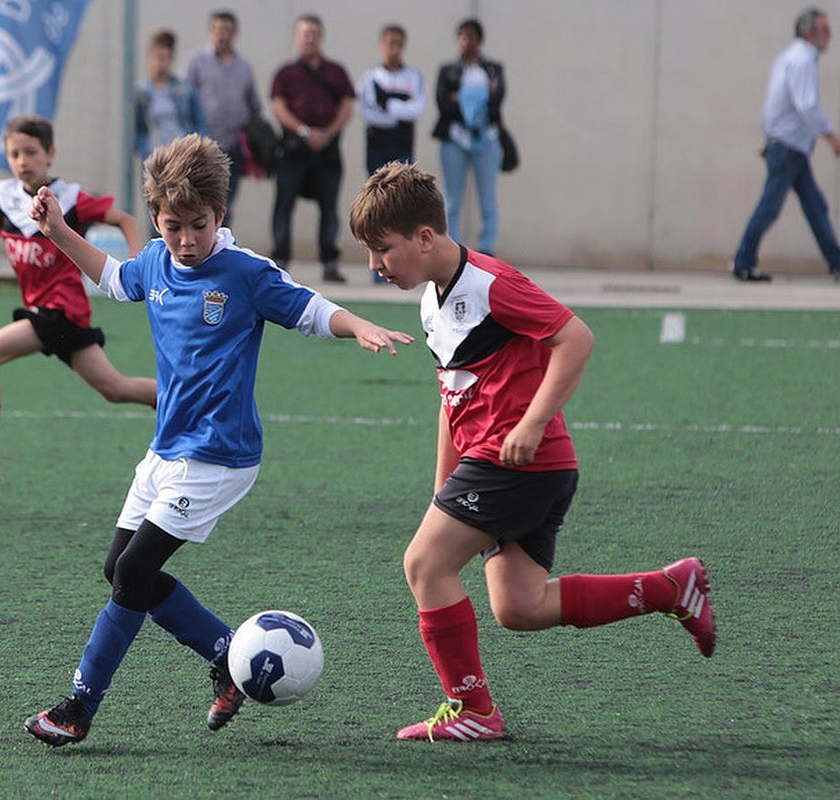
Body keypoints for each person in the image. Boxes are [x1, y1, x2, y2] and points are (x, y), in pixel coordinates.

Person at [20, 133, 413, 747]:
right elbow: (114, 277)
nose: (185, 239)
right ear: (156, 219)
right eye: (173, 225)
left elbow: (308, 308)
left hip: (219, 457)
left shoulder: (245, 272)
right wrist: (59, 231)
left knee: (133, 571)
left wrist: (356, 322)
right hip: (165, 451)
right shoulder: (153, 261)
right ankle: (230, 657)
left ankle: (78, 707)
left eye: (198, 225)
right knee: (119, 571)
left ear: (219, 216)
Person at [348, 161, 716, 742]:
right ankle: (670, 588)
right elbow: (453, 396)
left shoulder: (490, 282)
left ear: (424, 237)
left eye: (381, 250)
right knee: (519, 607)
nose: (373, 266)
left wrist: (533, 421)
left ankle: (472, 711)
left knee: (424, 565)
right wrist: (444, 483)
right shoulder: (430, 302)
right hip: (513, 466)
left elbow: (575, 336)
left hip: (517, 461)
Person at [0, 115, 157, 490]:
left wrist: (139, 263)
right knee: (115, 389)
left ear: (50, 154)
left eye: (31, 152)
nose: (22, 160)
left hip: (61, 311)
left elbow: (125, 219)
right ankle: (184, 402)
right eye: (14, 153)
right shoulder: (3, 198)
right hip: (54, 318)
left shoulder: (68, 199)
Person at [732, 7, 840, 282]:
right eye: (825, 29)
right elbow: (806, 104)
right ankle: (743, 262)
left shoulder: (788, 58)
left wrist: (769, 136)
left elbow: (773, 104)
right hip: (789, 147)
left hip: (789, 146)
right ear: (809, 32)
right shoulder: (803, 60)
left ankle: (836, 262)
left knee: (815, 206)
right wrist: (830, 135)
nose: (830, 35)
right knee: (770, 206)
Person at [270, 14, 355, 283]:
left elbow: (347, 105)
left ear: (321, 36)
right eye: (305, 33)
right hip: (293, 150)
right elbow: (278, 106)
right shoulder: (286, 73)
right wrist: (304, 131)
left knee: (329, 208)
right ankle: (280, 259)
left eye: (314, 33)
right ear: (296, 37)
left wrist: (327, 133)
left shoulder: (336, 72)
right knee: (284, 205)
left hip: (328, 151)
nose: (310, 38)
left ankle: (330, 262)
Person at [357, 23, 426, 281]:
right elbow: (371, 113)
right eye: (389, 43)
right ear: (381, 45)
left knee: (402, 204)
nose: (393, 48)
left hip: (402, 145)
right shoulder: (371, 77)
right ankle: (379, 267)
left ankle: (403, 265)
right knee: (376, 204)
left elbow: (416, 109)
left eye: (398, 43)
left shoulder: (413, 77)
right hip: (378, 145)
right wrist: (399, 109)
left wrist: (390, 106)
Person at [433, 18, 505, 256]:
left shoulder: (493, 69)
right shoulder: (448, 70)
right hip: (455, 139)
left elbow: (496, 103)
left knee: (488, 200)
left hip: (486, 140)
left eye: (471, 36)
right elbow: (444, 104)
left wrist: (462, 97)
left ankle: (487, 249)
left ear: (479, 40)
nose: (466, 41)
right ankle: (452, 248)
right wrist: (477, 96)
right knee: (452, 199)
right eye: (462, 36)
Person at [185, 9, 264, 229]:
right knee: (199, 200)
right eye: (219, 30)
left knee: (225, 203)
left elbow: (254, 104)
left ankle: (220, 248)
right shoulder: (196, 61)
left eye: (228, 31)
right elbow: (184, 100)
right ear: (210, 32)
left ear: (235, 33)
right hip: (202, 147)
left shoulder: (243, 66)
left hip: (233, 147)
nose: (223, 35)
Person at [135, 28, 208, 164]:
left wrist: (195, 148)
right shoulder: (141, 93)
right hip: (156, 159)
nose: (161, 63)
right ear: (149, 59)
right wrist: (145, 150)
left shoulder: (185, 89)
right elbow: (137, 128)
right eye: (158, 58)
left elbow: (200, 121)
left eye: (165, 58)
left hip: (182, 157)